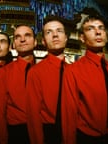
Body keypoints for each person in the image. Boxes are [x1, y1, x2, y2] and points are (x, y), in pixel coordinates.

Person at [61, 8, 108, 144]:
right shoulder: (73, 71)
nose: (98, 32)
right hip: (86, 138)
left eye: (101, 28)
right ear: (82, 38)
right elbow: (69, 114)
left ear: (106, 35)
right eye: (90, 28)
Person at [26, 15, 69, 144]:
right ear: (44, 41)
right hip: (49, 133)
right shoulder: (35, 72)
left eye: (59, 31)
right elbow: (33, 115)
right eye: (49, 32)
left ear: (66, 38)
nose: (55, 35)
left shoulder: (75, 70)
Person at [0, 24, 37, 144]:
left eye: (27, 35)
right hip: (17, 134)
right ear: (13, 45)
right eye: (18, 37)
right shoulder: (4, 73)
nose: (22, 39)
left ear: (35, 42)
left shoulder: (43, 71)